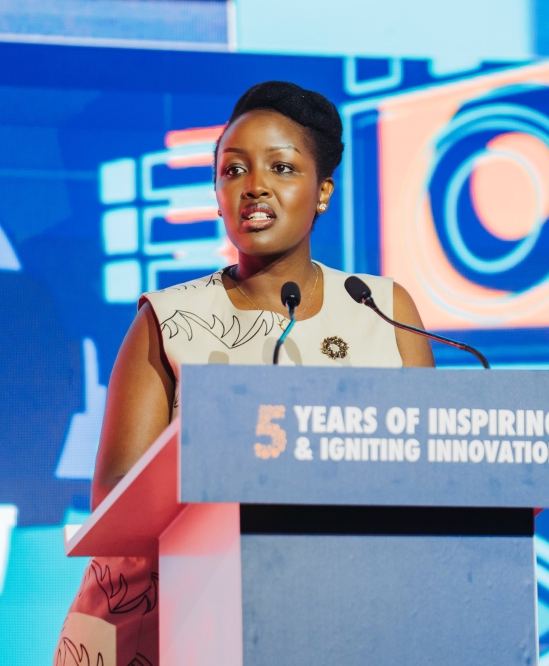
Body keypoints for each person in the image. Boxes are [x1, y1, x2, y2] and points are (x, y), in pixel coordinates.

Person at [54, 80, 434, 666]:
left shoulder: (380, 309)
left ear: (323, 190)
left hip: (336, 619)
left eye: (281, 168)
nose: (254, 186)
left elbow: (434, 475)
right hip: (167, 627)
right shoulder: (171, 319)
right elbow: (116, 500)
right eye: (233, 171)